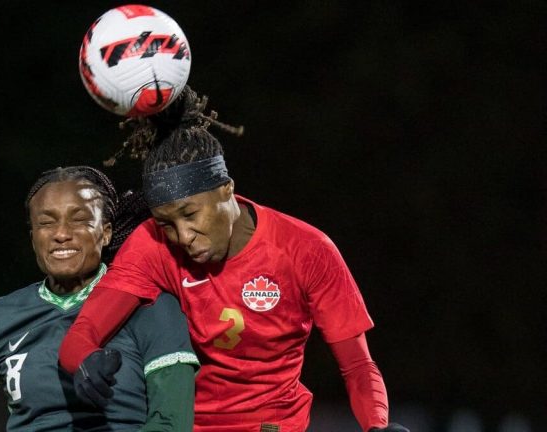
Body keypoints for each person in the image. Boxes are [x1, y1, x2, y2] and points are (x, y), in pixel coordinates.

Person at [59, 88, 410, 432]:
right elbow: (82, 335)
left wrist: (377, 424)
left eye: (190, 214)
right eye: (167, 223)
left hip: (272, 425)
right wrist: (86, 363)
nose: (183, 236)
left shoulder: (306, 249)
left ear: (226, 189)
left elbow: (357, 365)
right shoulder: (151, 245)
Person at [0, 166, 199, 432]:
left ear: (105, 233)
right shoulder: (0, 317)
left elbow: (171, 421)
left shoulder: (150, 306)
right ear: (33, 236)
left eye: (79, 220)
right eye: (46, 223)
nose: (61, 233)